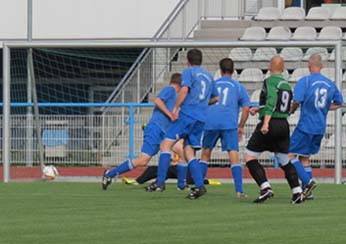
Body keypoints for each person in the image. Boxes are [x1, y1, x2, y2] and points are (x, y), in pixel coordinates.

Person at [145, 48, 218, 200]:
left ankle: (159, 182)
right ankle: (199, 186)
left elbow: (184, 90)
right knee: (189, 151)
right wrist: (202, 103)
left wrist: (176, 108)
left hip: (187, 115)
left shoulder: (189, 72)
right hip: (201, 118)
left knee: (165, 145)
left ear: (188, 61)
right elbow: (215, 98)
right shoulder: (209, 76)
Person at [101, 73, 183, 190]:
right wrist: (170, 114)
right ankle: (110, 174)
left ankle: (176, 184)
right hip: (156, 128)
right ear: (180, 84)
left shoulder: (175, 96)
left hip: (164, 130)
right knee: (143, 160)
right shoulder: (170, 89)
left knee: (182, 151)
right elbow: (158, 101)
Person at [244, 56, 304, 204]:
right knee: (284, 159)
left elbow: (271, 102)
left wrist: (265, 123)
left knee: (249, 157)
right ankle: (297, 192)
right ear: (283, 69)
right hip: (283, 124)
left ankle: (265, 187)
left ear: (270, 67)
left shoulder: (270, 81)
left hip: (271, 124)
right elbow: (280, 105)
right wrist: (259, 109)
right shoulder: (286, 85)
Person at [289, 54, 343, 200]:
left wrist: (292, 110)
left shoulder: (305, 81)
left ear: (309, 65)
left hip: (306, 125)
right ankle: (309, 193)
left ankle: (308, 182)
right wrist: (325, 108)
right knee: (305, 158)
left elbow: (297, 100)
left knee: (289, 154)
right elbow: (339, 103)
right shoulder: (330, 84)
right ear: (322, 66)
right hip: (320, 127)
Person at [200, 58, 250, 199]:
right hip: (229, 123)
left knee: (205, 154)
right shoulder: (238, 86)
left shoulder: (213, 84)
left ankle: (199, 186)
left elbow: (205, 102)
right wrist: (241, 126)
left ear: (220, 70)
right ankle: (239, 190)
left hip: (211, 122)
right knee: (233, 155)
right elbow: (246, 108)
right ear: (233, 71)